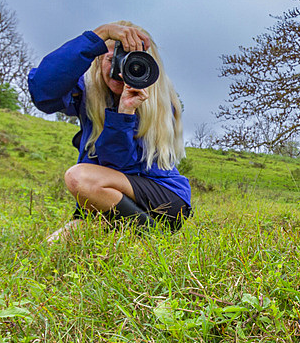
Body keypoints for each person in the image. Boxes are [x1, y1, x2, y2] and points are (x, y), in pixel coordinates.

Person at [28, 22, 191, 242]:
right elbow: (43, 92)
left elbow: (120, 165)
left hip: (163, 199)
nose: (120, 67)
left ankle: (154, 241)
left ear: (145, 64)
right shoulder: (89, 93)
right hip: (108, 197)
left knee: (79, 178)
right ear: (98, 63)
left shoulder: (158, 104)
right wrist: (97, 36)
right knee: (52, 246)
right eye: (111, 58)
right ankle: (125, 233)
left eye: (129, 59)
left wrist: (125, 112)